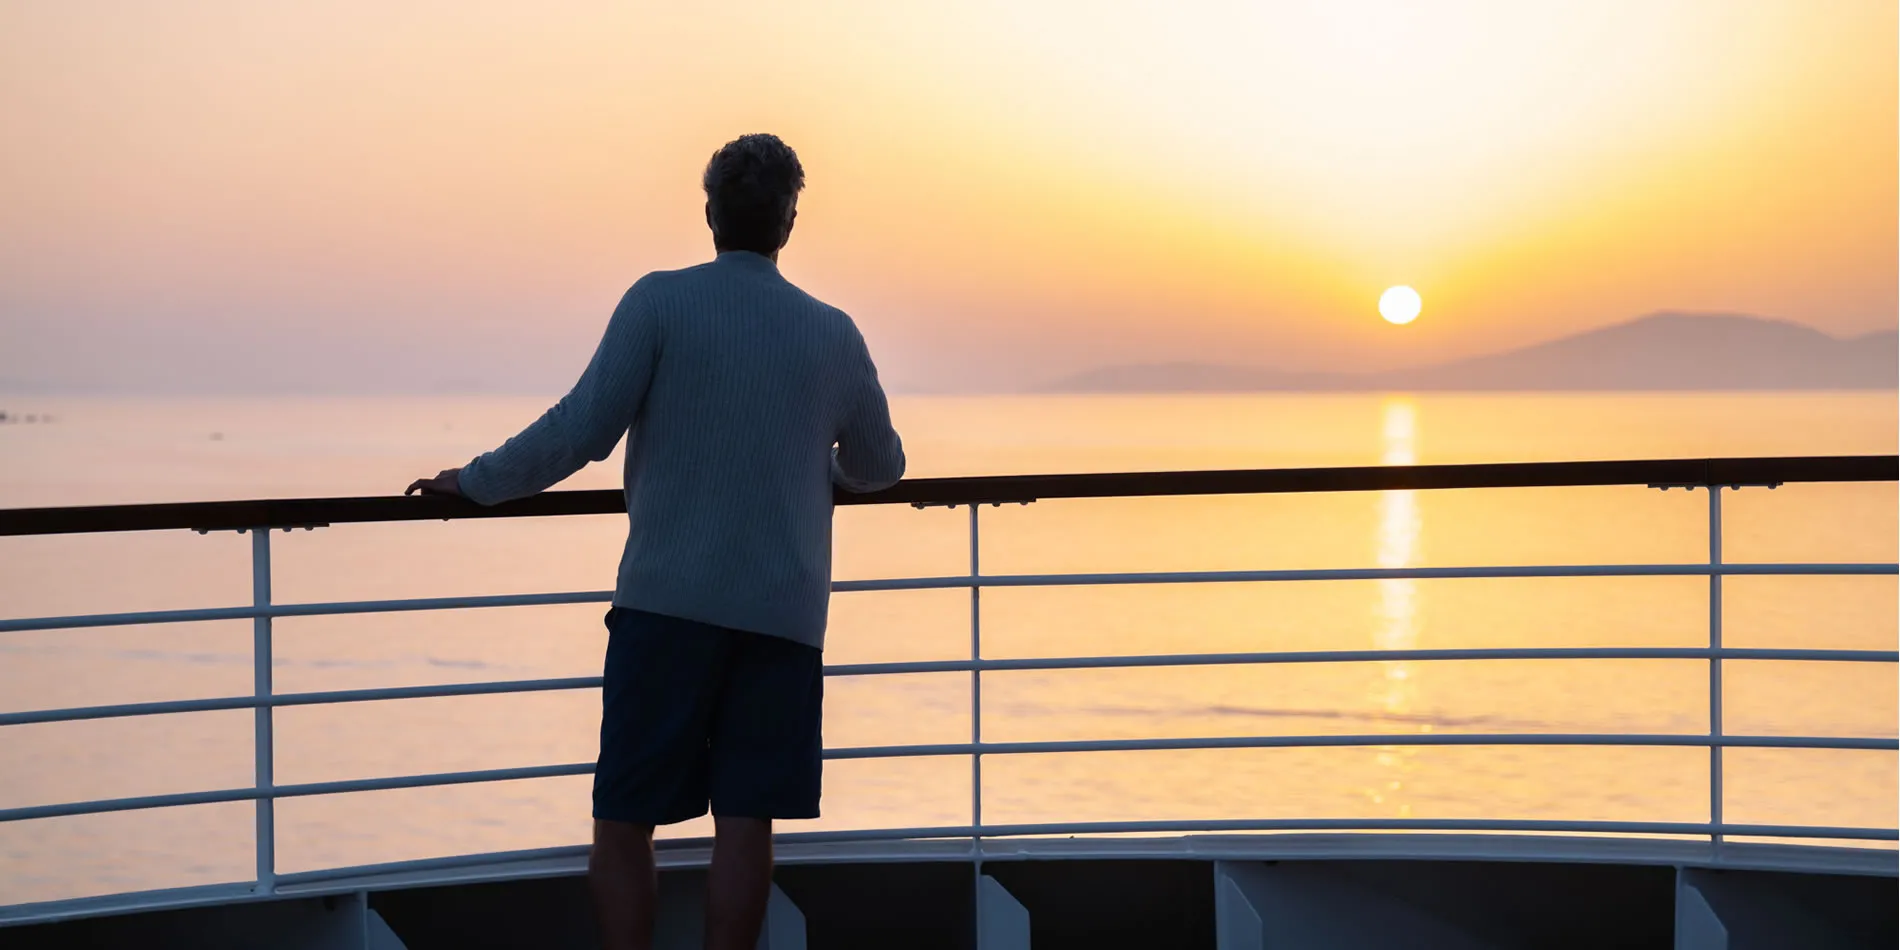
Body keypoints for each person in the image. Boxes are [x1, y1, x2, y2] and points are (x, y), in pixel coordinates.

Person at [405, 133, 905, 950]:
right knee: (746, 822)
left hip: (667, 605)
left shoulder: (659, 303)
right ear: (789, 222)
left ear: (709, 212)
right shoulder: (833, 333)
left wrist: (477, 480)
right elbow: (882, 464)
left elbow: (582, 429)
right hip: (781, 613)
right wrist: (822, 468)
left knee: (626, 815)